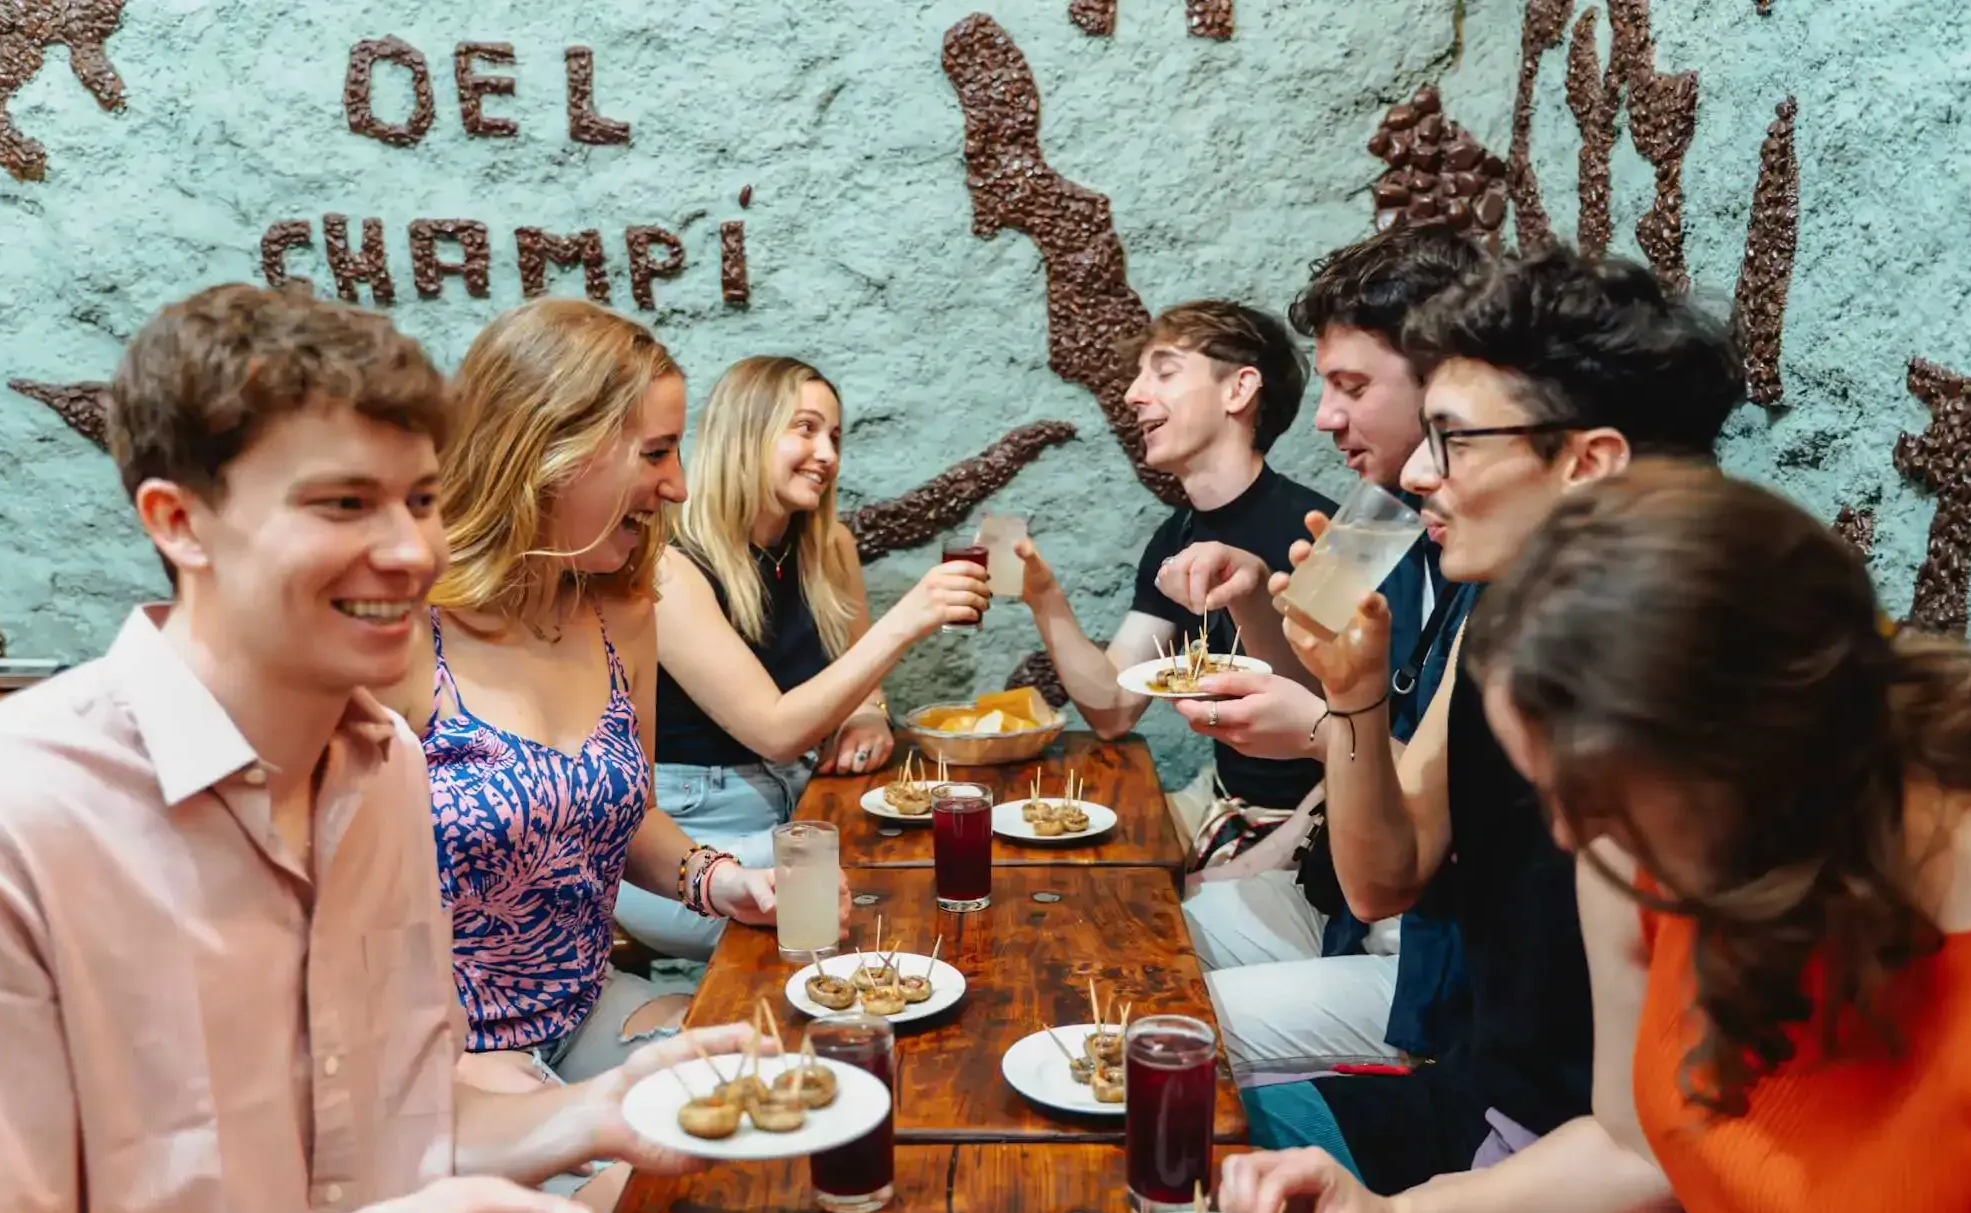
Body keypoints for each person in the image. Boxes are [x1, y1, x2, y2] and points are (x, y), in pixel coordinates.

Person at [0, 281, 765, 1213]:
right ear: (178, 522)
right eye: (344, 504)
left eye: (421, 500)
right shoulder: (17, 814)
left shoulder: (383, 767)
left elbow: (404, 1122)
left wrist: (596, 1113)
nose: (410, 551)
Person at [1223, 465, 1971, 1213]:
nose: (1572, 838)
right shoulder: (1677, 845)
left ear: (1761, 762)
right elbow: (1635, 1151)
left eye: (1598, 804)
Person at [1243, 245, 1744, 1213]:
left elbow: (1684, 1127)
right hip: (1486, 1112)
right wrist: (1351, 695)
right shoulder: (1504, 624)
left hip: (1609, 1206)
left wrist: (1572, 1211)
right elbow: (1381, 882)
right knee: (1180, 1141)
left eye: (1453, 441)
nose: (1419, 475)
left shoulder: (1704, 703)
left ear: (1588, 464)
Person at [376, 300, 843, 1213]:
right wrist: (442, 1074)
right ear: (552, 450)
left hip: (584, 1005)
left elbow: (626, 818)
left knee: (785, 1123)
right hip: (438, 1060)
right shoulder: (401, 631)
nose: (679, 485)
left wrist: (722, 880)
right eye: (656, 452)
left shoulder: (617, 606)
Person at [1148, 226, 1485, 1072]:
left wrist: (1312, 731)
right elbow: (1308, 669)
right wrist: (1252, 592)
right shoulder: (1372, 512)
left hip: (1436, 960)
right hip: (1339, 906)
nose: (1326, 416)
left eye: (1353, 387)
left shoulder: (1500, 558)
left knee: (1163, 1025)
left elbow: (1406, 786)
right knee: (1135, 940)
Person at [615, 356, 989, 964]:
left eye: (835, 436)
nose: (827, 455)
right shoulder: (670, 563)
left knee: (933, 879)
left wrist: (868, 715)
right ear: (747, 433)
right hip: (685, 844)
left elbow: (861, 678)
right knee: (885, 912)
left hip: (794, 808)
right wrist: (907, 620)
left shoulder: (826, 545)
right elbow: (775, 730)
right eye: (806, 429)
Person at [1015, 299, 1324, 873]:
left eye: (1164, 372)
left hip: (1309, 822)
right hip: (1223, 800)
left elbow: (1366, 735)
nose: (1133, 395)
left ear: (1239, 390)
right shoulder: (1177, 536)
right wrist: (1044, 597)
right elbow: (1114, 709)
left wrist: (1254, 868)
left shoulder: (1313, 534)